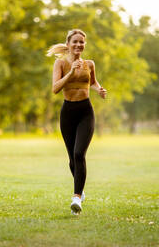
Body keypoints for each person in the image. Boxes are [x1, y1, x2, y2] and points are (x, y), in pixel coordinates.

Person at [47, 29, 107, 215]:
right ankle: (80, 189)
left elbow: (93, 82)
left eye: (82, 42)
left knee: (79, 153)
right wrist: (71, 72)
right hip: (68, 113)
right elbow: (55, 88)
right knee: (72, 159)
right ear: (68, 43)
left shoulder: (90, 64)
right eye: (75, 41)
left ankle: (76, 199)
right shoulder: (60, 63)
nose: (79, 45)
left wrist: (99, 89)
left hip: (85, 112)